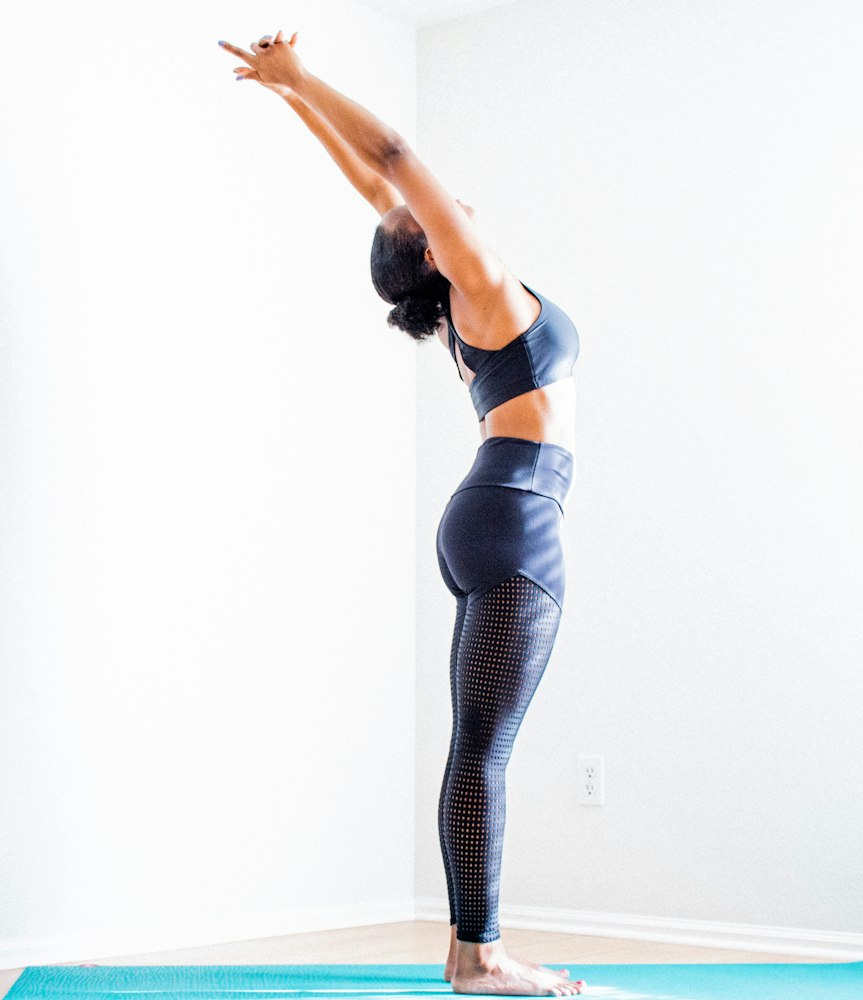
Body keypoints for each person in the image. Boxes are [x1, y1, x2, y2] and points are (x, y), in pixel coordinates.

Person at [218, 30, 585, 998]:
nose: (427, 198)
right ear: (428, 243)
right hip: (517, 514)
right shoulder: (481, 283)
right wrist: (300, 76)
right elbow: (391, 163)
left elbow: (368, 187)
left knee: (475, 741)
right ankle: (481, 955)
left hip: (485, 513)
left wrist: (292, 102)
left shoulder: (457, 295)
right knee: (484, 745)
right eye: (419, 212)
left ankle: (473, 950)